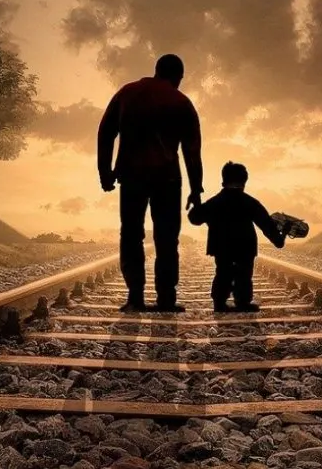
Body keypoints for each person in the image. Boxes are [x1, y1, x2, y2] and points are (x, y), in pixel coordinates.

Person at [97, 54, 204, 312]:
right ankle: (166, 298)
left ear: (156, 70)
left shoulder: (127, 93)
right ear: (178, 76)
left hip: (132, 176)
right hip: (167, 178)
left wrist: (106, 172)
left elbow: (105, 132)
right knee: (167, 238)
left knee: (131, 234)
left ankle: (135, 297)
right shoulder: (181, 101)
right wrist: (195, 189)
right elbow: (192, 151)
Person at [188, 160, 289, 312]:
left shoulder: (215, 202)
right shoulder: (250, 202)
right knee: (244, 274)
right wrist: (281, 236)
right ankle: (243, 302)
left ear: (223, 180)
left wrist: (196, 203)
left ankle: (219, 302)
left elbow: (195, 218)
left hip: (221, 246)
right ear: (244, 181)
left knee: (222, 272)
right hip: (245, 247)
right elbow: (267, 225)